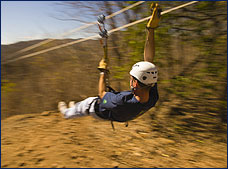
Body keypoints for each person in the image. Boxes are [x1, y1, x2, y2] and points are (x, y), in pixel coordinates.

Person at [58, 3, 161, 126]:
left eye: (131, 78)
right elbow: (149, 62)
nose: (130, 79)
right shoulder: (152, 96)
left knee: (84, 105)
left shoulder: (121, 101)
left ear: (135, 83)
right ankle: (74, 107)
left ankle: (66, 112)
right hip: (117, 114)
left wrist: (103, 71)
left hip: (97, 109)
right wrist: (151, 30)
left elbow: (102, 94)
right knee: (80, 105)